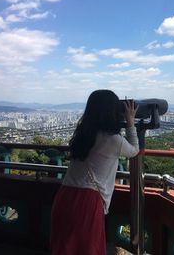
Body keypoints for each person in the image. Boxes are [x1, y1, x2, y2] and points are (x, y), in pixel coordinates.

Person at [50, 89, 139, 255]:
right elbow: (134, 150)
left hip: (65, 195)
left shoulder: (83, 134)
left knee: (65, 248)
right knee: (87, 248)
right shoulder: (113, 140)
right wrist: (130, 122)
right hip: (86, 201)